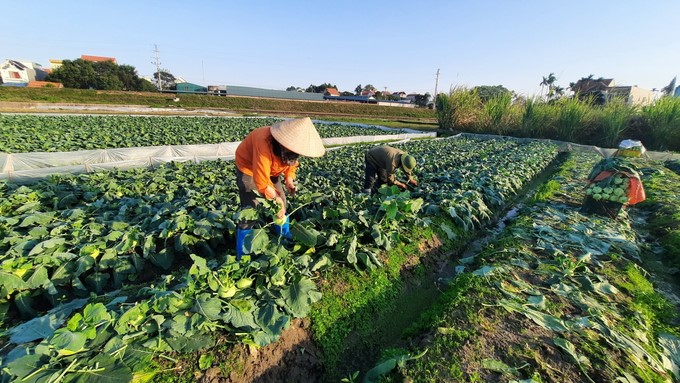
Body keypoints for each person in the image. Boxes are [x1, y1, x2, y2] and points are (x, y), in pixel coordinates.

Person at [234, 117, 325, 259]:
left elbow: (292, 164)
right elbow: (262, 181)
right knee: (251, 208)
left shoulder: (292, 147)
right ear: (282, 144)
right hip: (249, 168)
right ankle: (244, 252)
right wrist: (276, 200)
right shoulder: (263, 142)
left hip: (271, 170)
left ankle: (284, 234)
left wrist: (289, 180)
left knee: (282, 200)